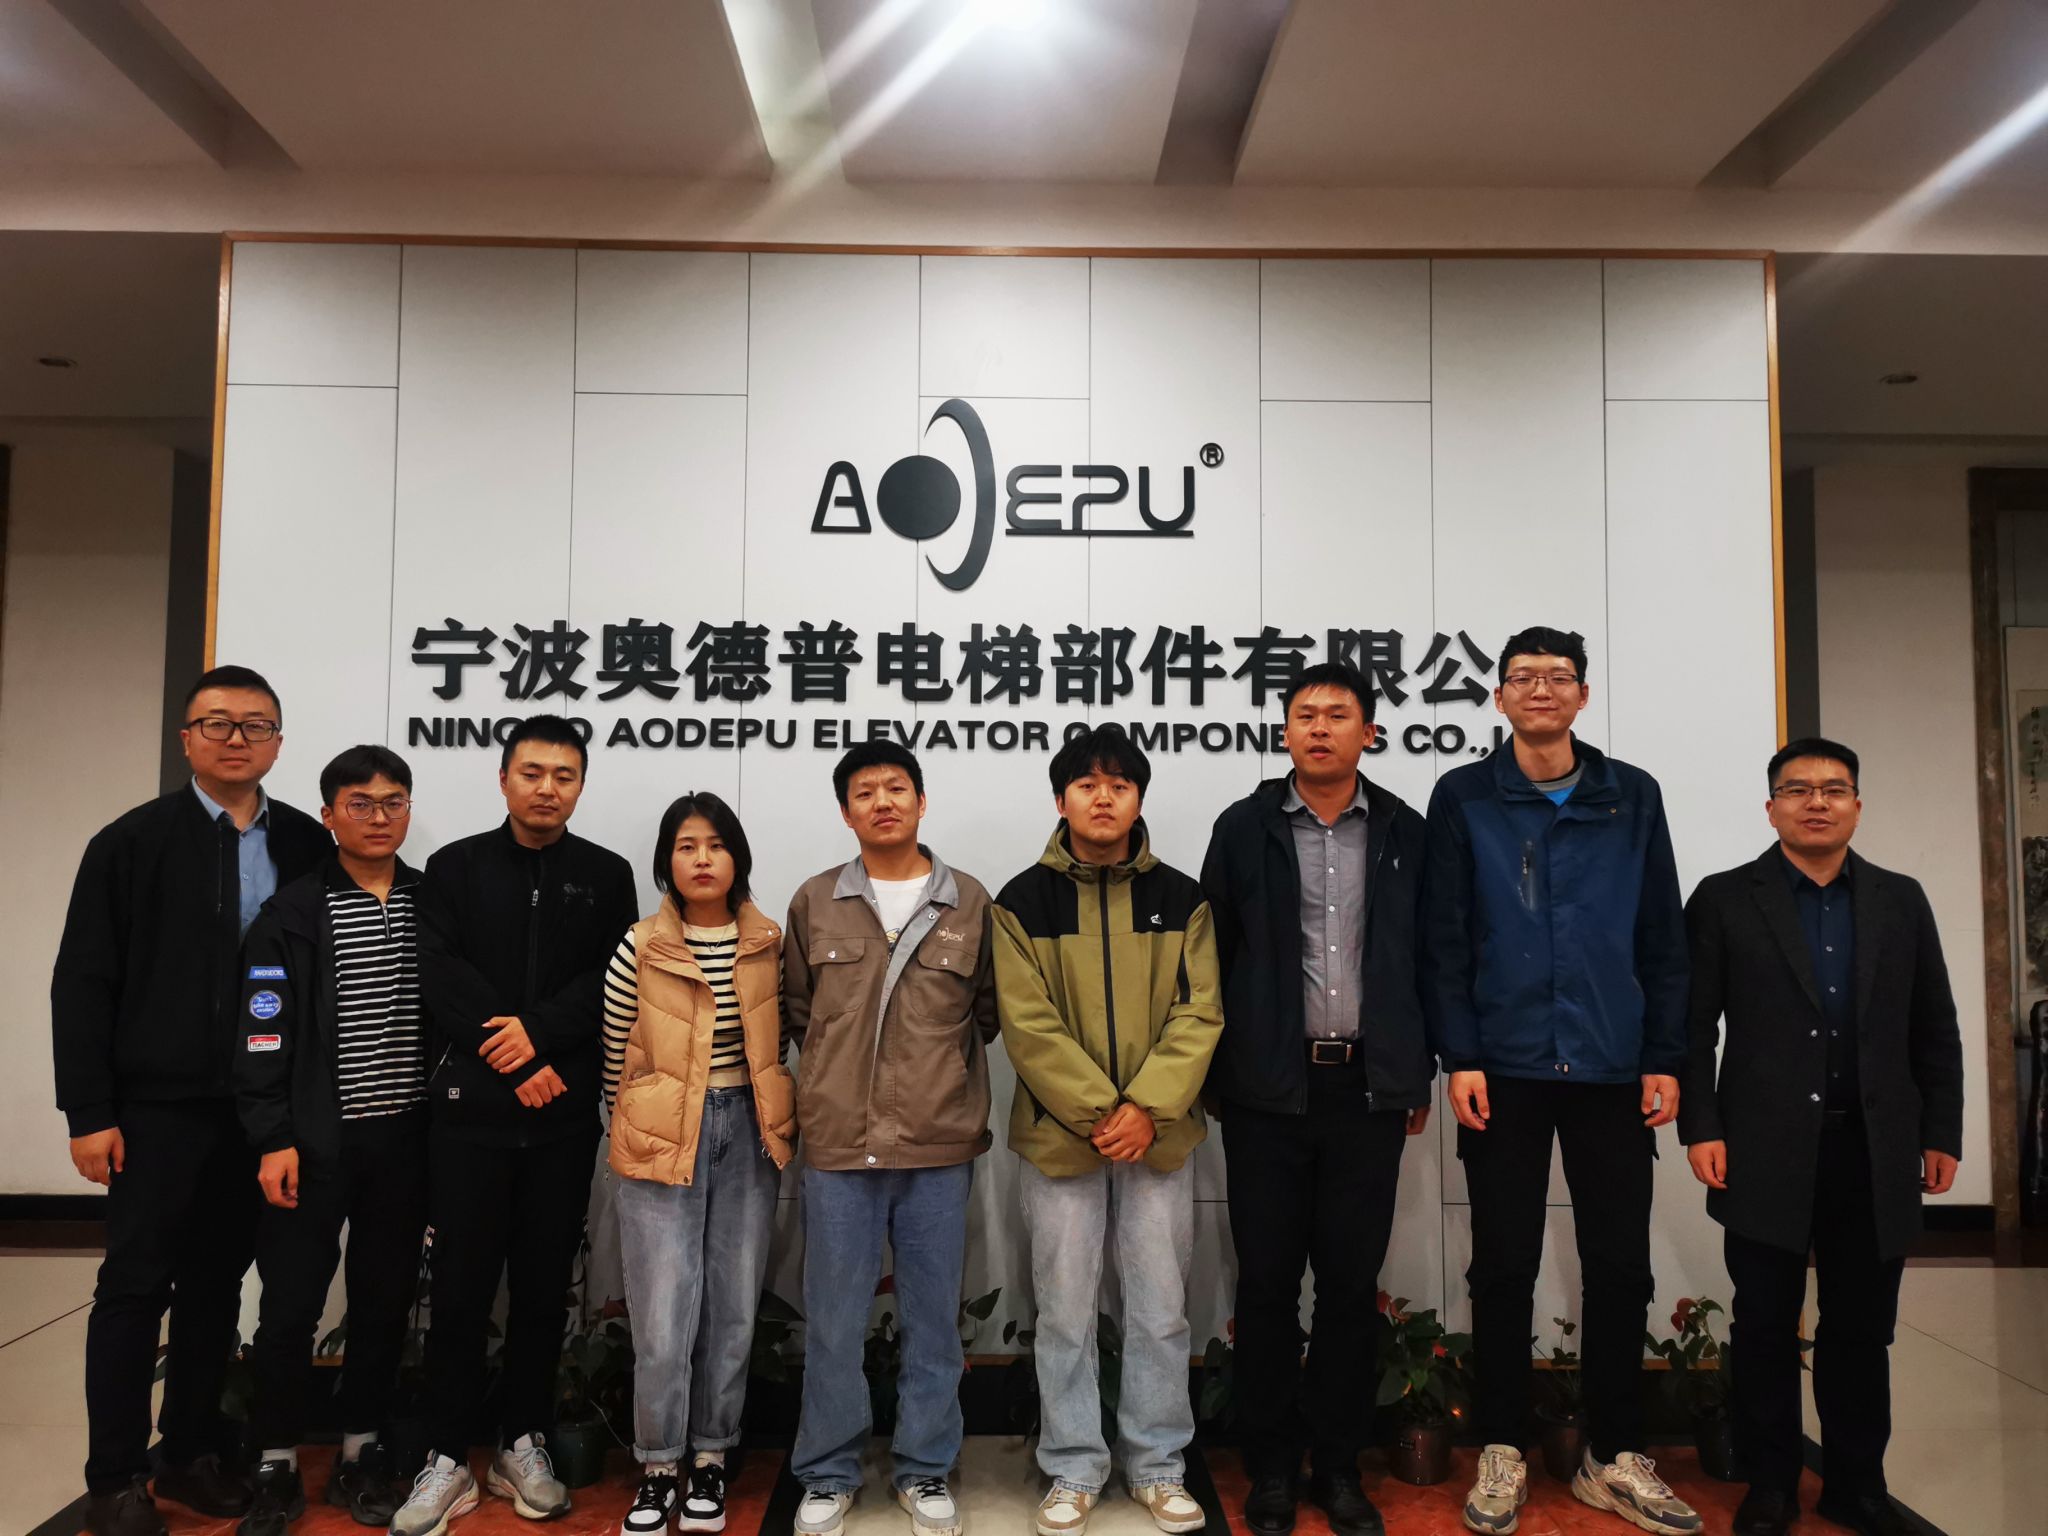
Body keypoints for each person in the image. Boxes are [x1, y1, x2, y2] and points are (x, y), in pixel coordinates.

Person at [1422, 626, 1698, 1536]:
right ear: (1499, 696)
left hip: (1613, 1064)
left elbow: (1662, 936)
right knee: (1503, 1264)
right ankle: (1502, 1445)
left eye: (1559, 676)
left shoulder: (1632, 795)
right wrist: (1460, 1054)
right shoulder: (1464, 796)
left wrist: (1664, 1056)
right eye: (1523, 677)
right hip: (1503, 1066)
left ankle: (1614, 1457)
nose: (1541, 689)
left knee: (1620, 1265)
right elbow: (1445, 938)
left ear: (1583, 695)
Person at [53, 666, 331, 1536]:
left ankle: (189, 1452)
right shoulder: (130, 843)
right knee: (134, 1285)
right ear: (186, 738)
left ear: (278, 743)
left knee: (216, 1285)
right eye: (218, 723)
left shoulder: (305, 844)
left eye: (256, 725)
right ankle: (114, 1477)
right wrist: (89, 1112)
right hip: (154, 1109)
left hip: (256, 1110)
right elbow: (83, 981)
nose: (237, 738)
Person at [1679, 739, 1964, 1536]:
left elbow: (1934, 1025)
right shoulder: (1725, 899)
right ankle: (1769, 1484)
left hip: (1874, 1148)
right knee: (1764, 1326)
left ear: (1857, 807)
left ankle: (1856, 1485)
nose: (1816, 802)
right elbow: (1691, 1028)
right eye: (1797, 789)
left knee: (1862, 1330)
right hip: (1761, 1147)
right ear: (1771, 807)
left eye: (1834, 789)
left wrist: (1941, 1130)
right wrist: (1701, 1125)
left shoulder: (1900, 899)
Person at [1199, 662, 1435, 1536]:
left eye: (1339, 714)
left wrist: (1413, 1068)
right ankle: (1269, 1464)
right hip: (1267, 1088)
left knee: (1348, 1286)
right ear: (1285, 731)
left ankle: (1338, 1466)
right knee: (1265, 1284)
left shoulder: (1405, 830)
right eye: (1305, 714)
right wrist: (1220, 1077)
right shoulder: (1244, 826)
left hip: (1366, 1089)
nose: (1321, 727)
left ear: (1369, 731)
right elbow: (1210, 958)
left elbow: (1431, 953)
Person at [389, 716, 638, 1536]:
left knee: (541, 1288)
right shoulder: (455, 867)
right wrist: (517, 1055)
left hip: (561, 1119)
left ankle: (521, 1442)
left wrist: (540, 1036)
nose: (547, 788)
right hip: (469, 1117)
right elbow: (440, 973)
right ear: (504, 779)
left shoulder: (606, 874)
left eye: (564, 775)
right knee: (459, 1292)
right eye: (532, 772)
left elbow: (610, 980)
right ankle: (446, 1457)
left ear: (580, 785)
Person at [994, 725, 1224, 1536]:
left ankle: (1158, 1464)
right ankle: (1073, 1465)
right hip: (1063, 1140)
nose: (1103, 797)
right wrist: (1104, 1113)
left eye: (1119, 785)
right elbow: (1027, 1024)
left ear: (1138, 799)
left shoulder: (1184, 897)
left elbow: (1201, 1012)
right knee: (1064, 1310)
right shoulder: (1021, 901)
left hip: (1159, 1138)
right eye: (1087, 785)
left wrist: (1146, 1110)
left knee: (1161, 1308)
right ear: (1060, 800)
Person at [784, 743, 998, 1536]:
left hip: (938, 1145)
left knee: (933, 1320)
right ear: (846, 811)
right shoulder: (816, 901)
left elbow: (986, 1014)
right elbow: (798, 1013)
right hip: (839, 1146)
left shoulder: (968, 901)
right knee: (833, 1320)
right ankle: (828, 1471)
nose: (883, 801)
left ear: (921, 800)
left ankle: (924, 1466)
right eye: (865, 792)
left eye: (897, 788)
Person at [234, 746, 431, 1535]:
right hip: (313, 1144)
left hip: (404, 1141)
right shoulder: (290, 914)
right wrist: (272, 1137)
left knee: (382, 1304)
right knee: (289, 1307)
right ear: (327, 815)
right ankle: (275, 1461)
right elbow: (261, 1037)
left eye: (393, 802)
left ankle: (361, 1451)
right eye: (360, 803)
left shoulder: (431, 903)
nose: (379, 817)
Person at [601, 792, 796, 1536]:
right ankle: (658, 1468)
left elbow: (782, 1039)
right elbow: (616, 1054)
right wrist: (634, 1127)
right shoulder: (639, 945)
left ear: (737, 857)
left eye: (716, 845)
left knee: (734, 1306)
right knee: (662, 1314)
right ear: (667, 861)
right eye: (686, 846)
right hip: (658, 1134)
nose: (703, 859)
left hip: (748, 1130)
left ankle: (711, 1457)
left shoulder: (768, 943)